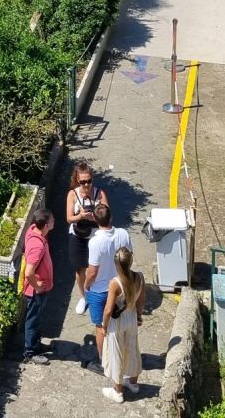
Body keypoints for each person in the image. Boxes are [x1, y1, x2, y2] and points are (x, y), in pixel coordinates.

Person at [83, 202, 131, 371]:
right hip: (120, 286)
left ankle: (105, 362)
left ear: (95, 220)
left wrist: (86, 287)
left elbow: (92, 272)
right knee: (118, 324)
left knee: (100, 327)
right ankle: (122, 356)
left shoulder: (95, 242)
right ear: (111, 217)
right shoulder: (124, 234)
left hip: (99, 291)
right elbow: (128, 259)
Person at [100, 245, 147, 403]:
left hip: (117, 322)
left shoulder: (115, 283)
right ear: (131, 261)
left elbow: (108, 309)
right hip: (132, 318)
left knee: (116, 353)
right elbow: (141, 301)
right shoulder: (139, 277)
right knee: (133, 349)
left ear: (116, 264)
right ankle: (133, 383)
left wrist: (104, 325)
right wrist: (139, 316)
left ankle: (118, 391)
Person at [65, 161, 107, 314]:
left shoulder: (100, 194)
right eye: (82, 182)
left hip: (95, 238)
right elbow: (69, 218)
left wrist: (93, 218)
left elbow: (107, 217)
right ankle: (83, 297)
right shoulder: (73, 194)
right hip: (78, 237)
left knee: (95, 269)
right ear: (77, 180)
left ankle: (96, 295)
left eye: (89, 181)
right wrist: (80, 216)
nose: (86, 185)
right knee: (80, 270)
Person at [20, 209, 55, 362]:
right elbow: (29, 272)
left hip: (39, 289)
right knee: (33, 320)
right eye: (52, 220)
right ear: (46, 225)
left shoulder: (33, 230)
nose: (54, 221)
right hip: (36, 292)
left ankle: (35, 344)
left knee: (36, 318)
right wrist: (37, 286)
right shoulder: (37, 246)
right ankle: (30, 352)